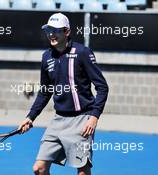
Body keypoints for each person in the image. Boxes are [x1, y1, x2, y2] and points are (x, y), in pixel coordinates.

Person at [18, 13, 109, 175]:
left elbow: (102, 87)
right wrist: (30, 117)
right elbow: (45, 92)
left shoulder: (83, 52)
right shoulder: (46, 57)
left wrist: (94, 117)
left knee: (82, 171)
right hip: (58, 121)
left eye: (56, 30)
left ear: (67, 32)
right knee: (39, 169)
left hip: (82, 120)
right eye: (48, 31)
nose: (51, 34)